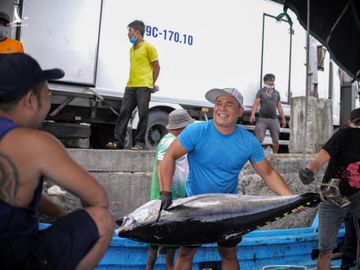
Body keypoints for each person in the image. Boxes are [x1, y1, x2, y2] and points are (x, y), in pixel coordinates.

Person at [158, 88, 296, 270]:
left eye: (229, 104)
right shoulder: (196, 131)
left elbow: (268, 173)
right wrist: (165, 193)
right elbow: (169, 156)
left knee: (228, 253)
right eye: (218, 104)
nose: (222, 109)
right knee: (186, 252)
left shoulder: (248, 141)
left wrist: (292, 199)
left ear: (240, 111)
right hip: (195, 205)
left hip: (229, 208)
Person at [0, 53, 114, 269]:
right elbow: (98, 199)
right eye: (48, 94)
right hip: (14, 260)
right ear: (30, 100)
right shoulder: (33, 143)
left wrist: (58, 212)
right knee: (102, 220)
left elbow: (13, 191)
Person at [299, 108, 360, 270]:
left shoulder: (346, 132)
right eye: (358, 124)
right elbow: (322, 157)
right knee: (325, 249)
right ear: (350, 124)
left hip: (357, 197)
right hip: (333, 194)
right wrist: (310, 170)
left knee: (329, 249)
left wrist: (310, 170)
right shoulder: (344, 135)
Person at [146, 109, 194, 270]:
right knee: (156, 237)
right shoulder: (168, 141)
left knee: (173, 237)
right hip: (166, 194)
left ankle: (168, 268)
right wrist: (163, 194)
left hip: (178, 193)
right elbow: (161, 168)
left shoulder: (182, 139)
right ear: (181, 128)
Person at [106, 20, 160, 150]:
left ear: (137, 32)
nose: (128, 35)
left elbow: (157, 67)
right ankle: (118, 142)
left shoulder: (149, 47)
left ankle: (140, 143)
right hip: (130, 86)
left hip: (144, 86)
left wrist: (152, 83)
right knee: (124, 112)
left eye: (130, 31)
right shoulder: (132, 49)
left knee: (143, 114)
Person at [249, 73, 286, 153]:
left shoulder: (277, 93)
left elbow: (279, 107)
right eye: (269, 81)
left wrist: (283, 119)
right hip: (262, 119)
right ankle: (256, 154)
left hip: (274, 120)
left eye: (272, 81)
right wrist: (252, 114)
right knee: (258, 139)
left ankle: (275, 156)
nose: (271, 82)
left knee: (276, 140)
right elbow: (256, 103)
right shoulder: (261, 92)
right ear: (265, 82)